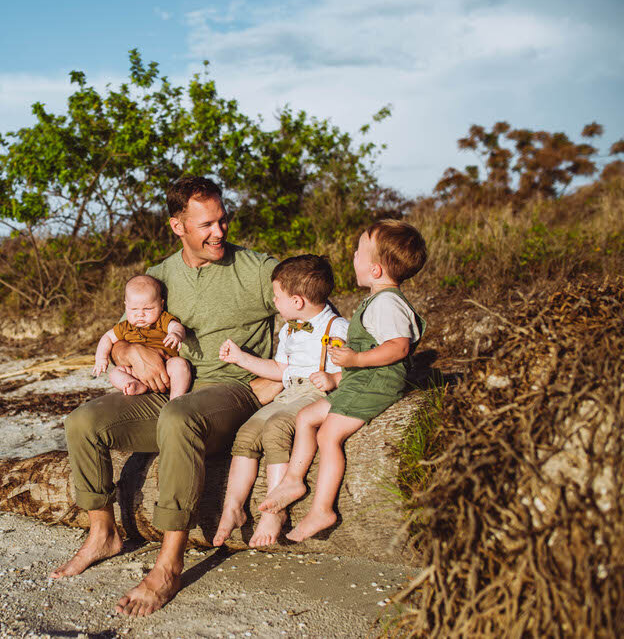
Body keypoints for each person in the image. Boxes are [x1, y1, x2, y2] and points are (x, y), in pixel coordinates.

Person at [50, 176, 278, 617]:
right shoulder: (158, 277)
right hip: (173, 390)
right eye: (206, 224)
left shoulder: (256, 269)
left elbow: (312, 309)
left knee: (178, 418)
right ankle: (103, 533)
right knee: (83, 422)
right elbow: (119, 338)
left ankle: (169, 562)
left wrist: (285, 376)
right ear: (178, 227)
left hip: (232, 391)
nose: (219, 232)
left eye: (222, 220)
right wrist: (128, 349)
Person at [259, 219, 427, 542]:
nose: (353, 255)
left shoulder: (389, 302)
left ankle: (323, 508)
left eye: (360, 251)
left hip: (374, 384)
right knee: (307, 417)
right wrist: (340, 374)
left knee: (329, 435)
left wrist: (356, 359)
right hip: (359, 381)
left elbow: (398, 347)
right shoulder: (378, 300)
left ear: (376, 269)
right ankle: (294, 479)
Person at [212, 254, 348, 548]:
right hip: (288, 392)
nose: (274, 302)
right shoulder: (288, 329)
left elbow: (352, 368)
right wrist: (240, 358)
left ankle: (275, 511)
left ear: (297, 301)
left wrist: (333, 378)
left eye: (277, 296)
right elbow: (280, 371)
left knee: (276, 428)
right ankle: (233, 507)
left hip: (315, 394)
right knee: (246, 433)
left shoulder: (336, 328)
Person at [92, 275, 192, 400]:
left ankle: (175, 399)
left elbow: (176, 326)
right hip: (137, 372)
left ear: (161, 305)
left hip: (166, 367)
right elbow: (107, 337)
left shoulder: (162, 320)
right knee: (115, 373)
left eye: (148, 309)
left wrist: (176, 334)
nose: (140, 314)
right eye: (133, 309)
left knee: (180, 365)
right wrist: (101, 357)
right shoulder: (125, 326)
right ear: (125, 306)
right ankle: (136, 385)